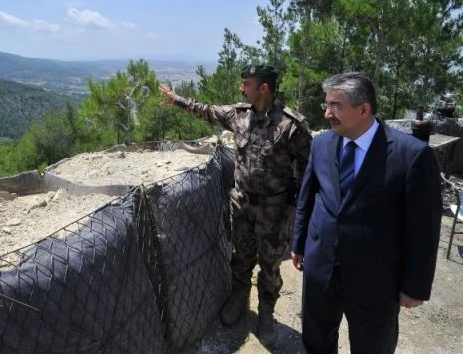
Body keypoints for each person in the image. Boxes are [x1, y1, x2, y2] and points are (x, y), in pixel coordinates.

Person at [159, 64, 312, 347]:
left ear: (263, 88)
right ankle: (239, 298)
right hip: (242, 204)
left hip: (274, 210)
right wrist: (177, 100)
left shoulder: (291, 125)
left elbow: (307, 167)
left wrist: (294, 205)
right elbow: (207, 111)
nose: (241, 88)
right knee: (241, 257)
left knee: (270, 266)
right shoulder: (238, 115)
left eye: (247, 84)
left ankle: (266, 313)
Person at [291, 72, 442, 353]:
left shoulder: (412, 155)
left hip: (375, 280)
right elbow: (307, 197)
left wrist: (415, 286)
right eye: (327, 104)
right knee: (316, 340)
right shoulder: (321, 144)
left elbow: (424, 228)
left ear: (363, 109)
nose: (326, 114)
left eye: (335, 106)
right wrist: (299, 244)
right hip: (321, 268)